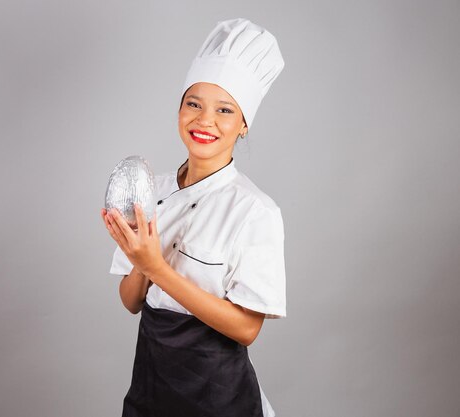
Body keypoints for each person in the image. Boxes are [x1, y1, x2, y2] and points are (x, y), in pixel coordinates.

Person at [100, 18, 286, 417]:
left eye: (224, 110)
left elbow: (246, 330)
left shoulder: (254, 211)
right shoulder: (152, 191)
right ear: (180, 108)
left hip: (220, 398)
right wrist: (138, 264)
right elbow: (132, 302)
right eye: (193, 104)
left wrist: (157, 266)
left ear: (243, 124)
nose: (204, 121)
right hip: (151, 390)